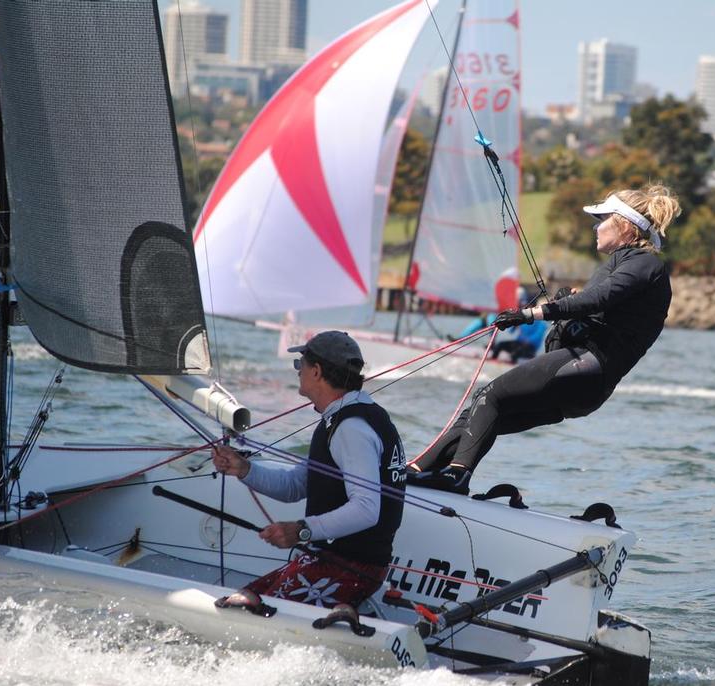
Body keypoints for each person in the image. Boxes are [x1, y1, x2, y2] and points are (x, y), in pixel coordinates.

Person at [409, 184, 680, 494]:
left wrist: (531, 314)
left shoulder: (646, 264)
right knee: (481, 416)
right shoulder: (622, 265)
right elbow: (597, 305)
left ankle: (455, 477)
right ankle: (414, 473)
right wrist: (568, 308)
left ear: (625, 224)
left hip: (588, 367)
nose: (595, 227)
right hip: (584, 379)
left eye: (601, 219)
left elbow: (599, 299)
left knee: (491, 395)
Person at [212, 330, 407, 612]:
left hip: (351, 568)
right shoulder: (342, 418)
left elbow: (366, 508)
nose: (297, 371)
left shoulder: (351, 429)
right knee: (242, 600)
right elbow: (296, 485)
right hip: (330, 561)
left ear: (316, 371)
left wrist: (302, 531)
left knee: (247, 610)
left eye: (299, 365)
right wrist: (244, 469)